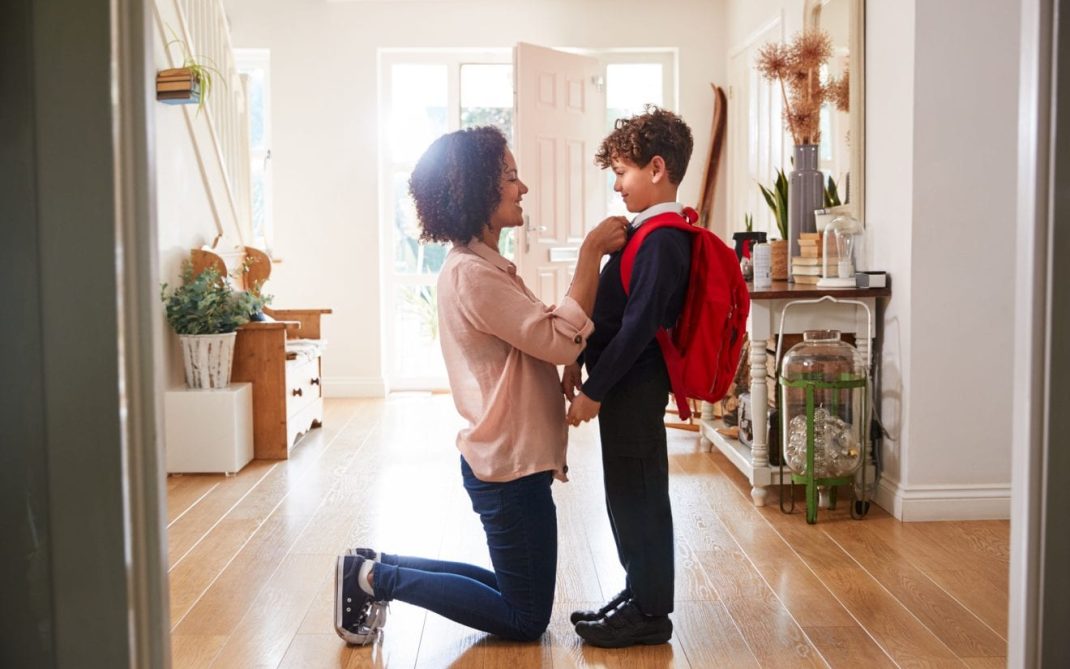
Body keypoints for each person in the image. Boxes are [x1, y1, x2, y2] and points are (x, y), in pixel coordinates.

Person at [334, 125, 628, 645]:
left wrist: (562, 358)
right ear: (477, 192)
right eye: (511, 177)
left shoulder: (483, 266)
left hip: (509, 460)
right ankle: (376, 579)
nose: (523, 188)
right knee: (524, 616)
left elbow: (537, 340)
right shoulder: (474, 274)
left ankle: (375, 566)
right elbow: (558, 339)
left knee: (515, 591)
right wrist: (590, 254)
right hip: (509, 467)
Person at [562, 107, 695, 648]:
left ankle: (651, 612)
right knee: (624, 493)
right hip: (624, 388)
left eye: (622, 171)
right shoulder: (644, 232)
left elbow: (640, 326)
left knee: (639, 495)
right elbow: (615, 313)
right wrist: (578, 358)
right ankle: (638, 593)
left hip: (634, 388)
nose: (616, 184)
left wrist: (595, 390)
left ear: (656, 168)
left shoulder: (664, 237)